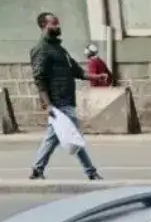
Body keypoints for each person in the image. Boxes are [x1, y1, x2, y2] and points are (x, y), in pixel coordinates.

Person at [29, 11, 101, 180]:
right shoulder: (41, 49)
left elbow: (75, 70)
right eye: (54, 23)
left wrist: (94, 77)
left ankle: (37, 170)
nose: (58, 26)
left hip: (65, 98)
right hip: (58, 100)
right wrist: (47, 104)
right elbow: (39, 78)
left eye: (58, 23)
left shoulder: (58, 48)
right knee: (74, 136)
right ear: (44, 26)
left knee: (53, 137)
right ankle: (91, 172)